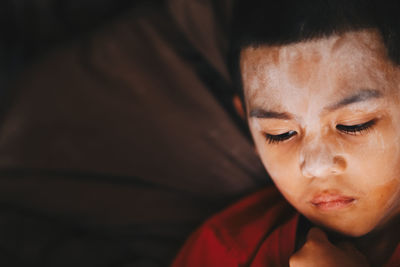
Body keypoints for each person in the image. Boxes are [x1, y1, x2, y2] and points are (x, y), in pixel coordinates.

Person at [171, 0, 400, 266]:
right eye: (280, 134)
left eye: (354, 125)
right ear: (247, 123)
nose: (316, 167)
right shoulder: (223, 250)